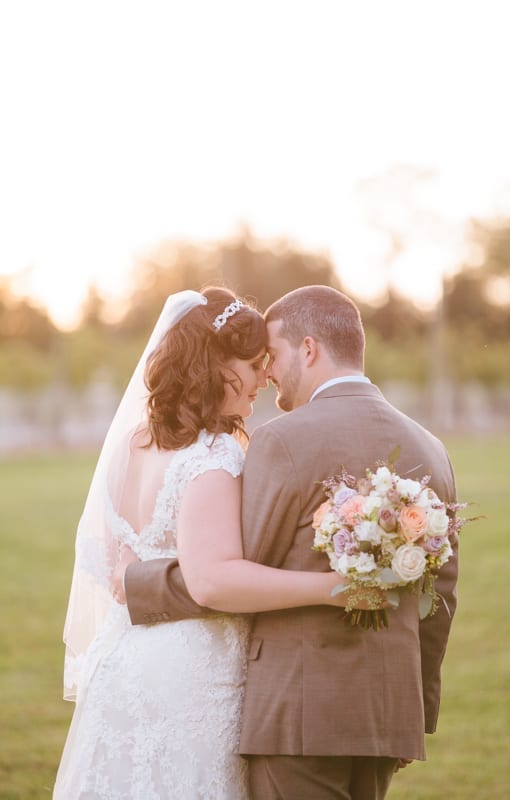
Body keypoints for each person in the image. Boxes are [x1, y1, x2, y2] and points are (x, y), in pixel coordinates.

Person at [121, 285, 459, 800]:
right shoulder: (430, 448)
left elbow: (237, 569)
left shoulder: (281, 439)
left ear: (308, 349)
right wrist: (417, 711)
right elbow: (440, 596)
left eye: (272, 355)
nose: (267, 373)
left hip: (298, 714)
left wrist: (141, 581)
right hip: (387, 715)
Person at [53, 286, 375, 800]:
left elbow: (114, 562)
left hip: (123, 659)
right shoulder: (214, 454)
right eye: (252, 366)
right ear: (214, 366)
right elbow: (214, 580)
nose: (262, 381)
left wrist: (129, 578)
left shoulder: (131, 445)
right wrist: (332, 587)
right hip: (191, 674)